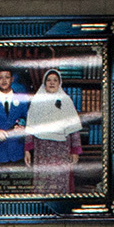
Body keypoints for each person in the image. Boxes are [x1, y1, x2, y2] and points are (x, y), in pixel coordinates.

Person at [25, 66, 81, 195]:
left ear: (59, 83)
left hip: (61, 148)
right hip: (42, 148)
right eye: (49, 80)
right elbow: (30, 127)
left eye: (55, 80)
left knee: (60, 178)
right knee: (43, 179)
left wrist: (75, 151)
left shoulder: (66, 101)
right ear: (44, 83)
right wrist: (27, 150)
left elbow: (74, 129)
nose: (51, 83)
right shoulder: (37, 101)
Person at [0, 63, 33, 189]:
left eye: (7, 77)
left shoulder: (22, 99)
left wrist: (21, 125)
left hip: (17, 151)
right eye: (1, 78)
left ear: (12, 79)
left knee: (17, 189)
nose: (4, 80)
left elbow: (26, 119)